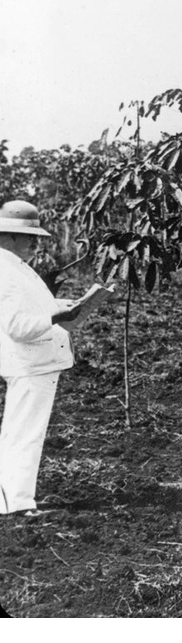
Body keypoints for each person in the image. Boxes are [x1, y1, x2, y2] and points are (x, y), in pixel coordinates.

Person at [0, 200, 84, 516]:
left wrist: (59, 306)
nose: (36, 243)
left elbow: (27, 309)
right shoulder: (6, 271)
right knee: (25, 434)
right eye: (30, 237)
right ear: (8, 237)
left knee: (21, 431)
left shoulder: (13, 266)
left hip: (34, 362)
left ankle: (11, 501)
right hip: (28, 361)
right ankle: (17, 505)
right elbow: (18, 326)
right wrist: (54, 315)